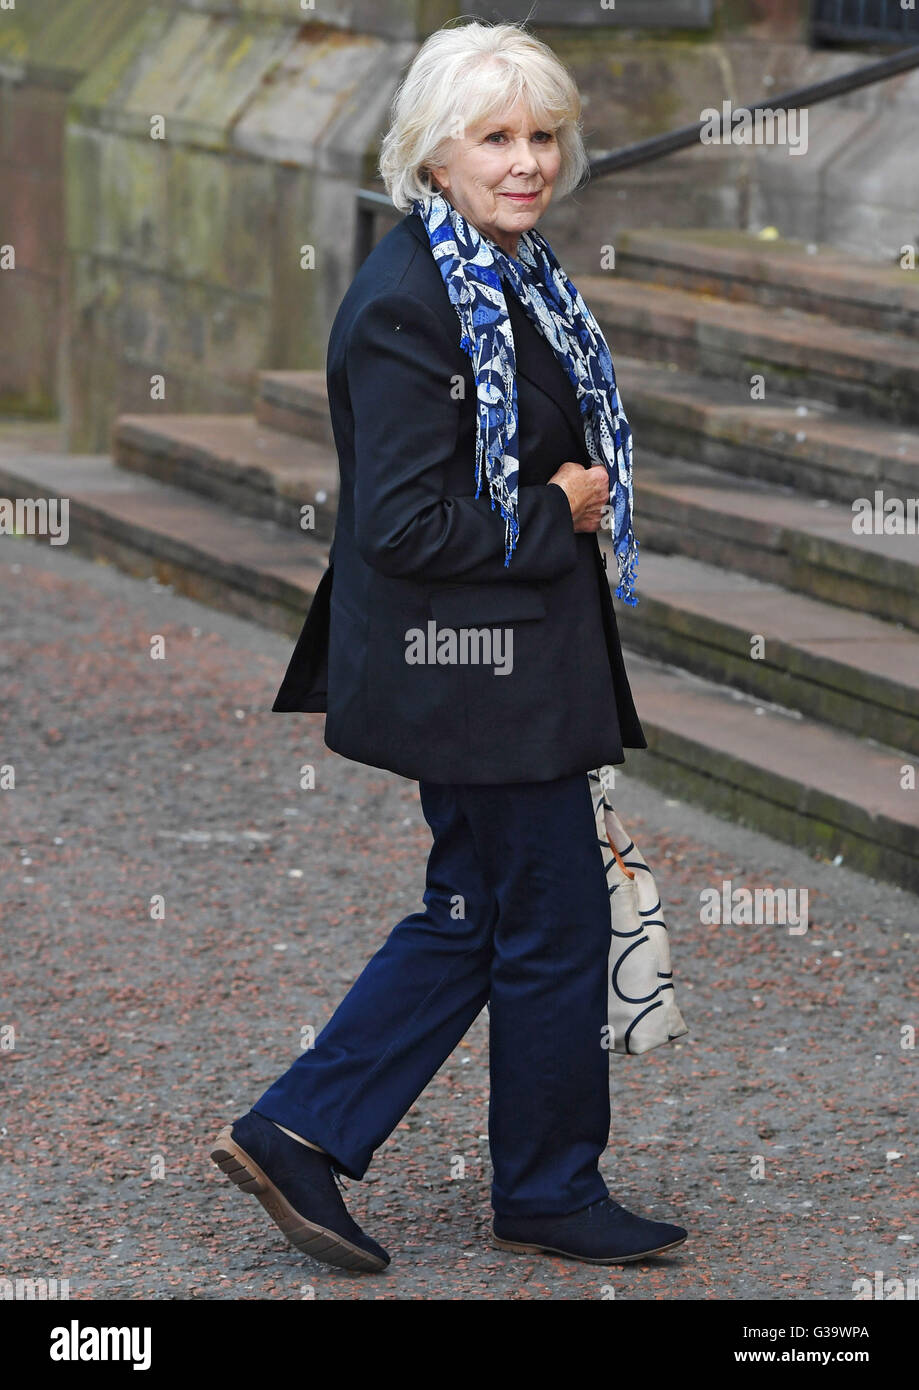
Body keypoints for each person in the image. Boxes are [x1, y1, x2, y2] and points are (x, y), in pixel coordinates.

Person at [210, 18, 687, 1273]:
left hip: (496, 665)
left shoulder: (505, 275)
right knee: (546, 919)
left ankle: (301, 1128)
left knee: (479, 911)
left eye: (542, 135)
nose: (526, 160)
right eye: (495, 137)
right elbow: (406, 522)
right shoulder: (412, 302)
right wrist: (564, 511)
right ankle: (544, 1186)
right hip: (475, 673)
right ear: (433, 153)